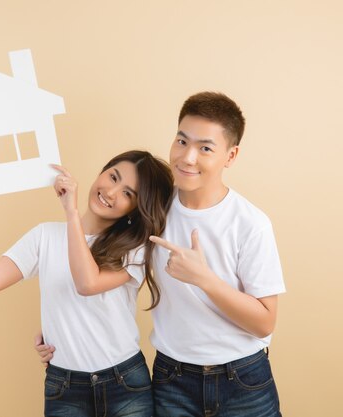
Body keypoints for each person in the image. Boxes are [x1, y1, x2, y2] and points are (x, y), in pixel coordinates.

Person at [37, 92, 286, 417]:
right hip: (173, 381)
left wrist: (205, 280)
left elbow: (264, 323)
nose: (187, 157)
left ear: (231, 155)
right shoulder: (151, 213)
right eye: (182, 141)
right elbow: (103, 281)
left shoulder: (251, 224)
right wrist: (61, 331)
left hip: (243, 379)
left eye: (205, 148)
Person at [0, 150, 174, 417]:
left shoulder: (134, 249)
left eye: (127, 193)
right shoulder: (44, 237)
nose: (110, 192)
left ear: (135, 209)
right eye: (112, 176)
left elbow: (87, 282)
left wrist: (71, 213)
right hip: (65, 386)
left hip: (124, 382)